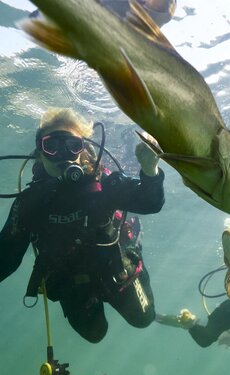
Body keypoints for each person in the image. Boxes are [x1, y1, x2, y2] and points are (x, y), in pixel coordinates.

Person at [0, 108, 165, 343]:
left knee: (143, 319)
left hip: (118, 272)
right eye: (52, 146)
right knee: (95, 334)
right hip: (73, 285)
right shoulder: (29, 204)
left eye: (73, 145)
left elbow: (150, 202)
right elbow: (5, 257)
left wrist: (150, 171)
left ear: (82, 150)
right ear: (40, 152)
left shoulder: (104, 182)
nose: (64, 154)